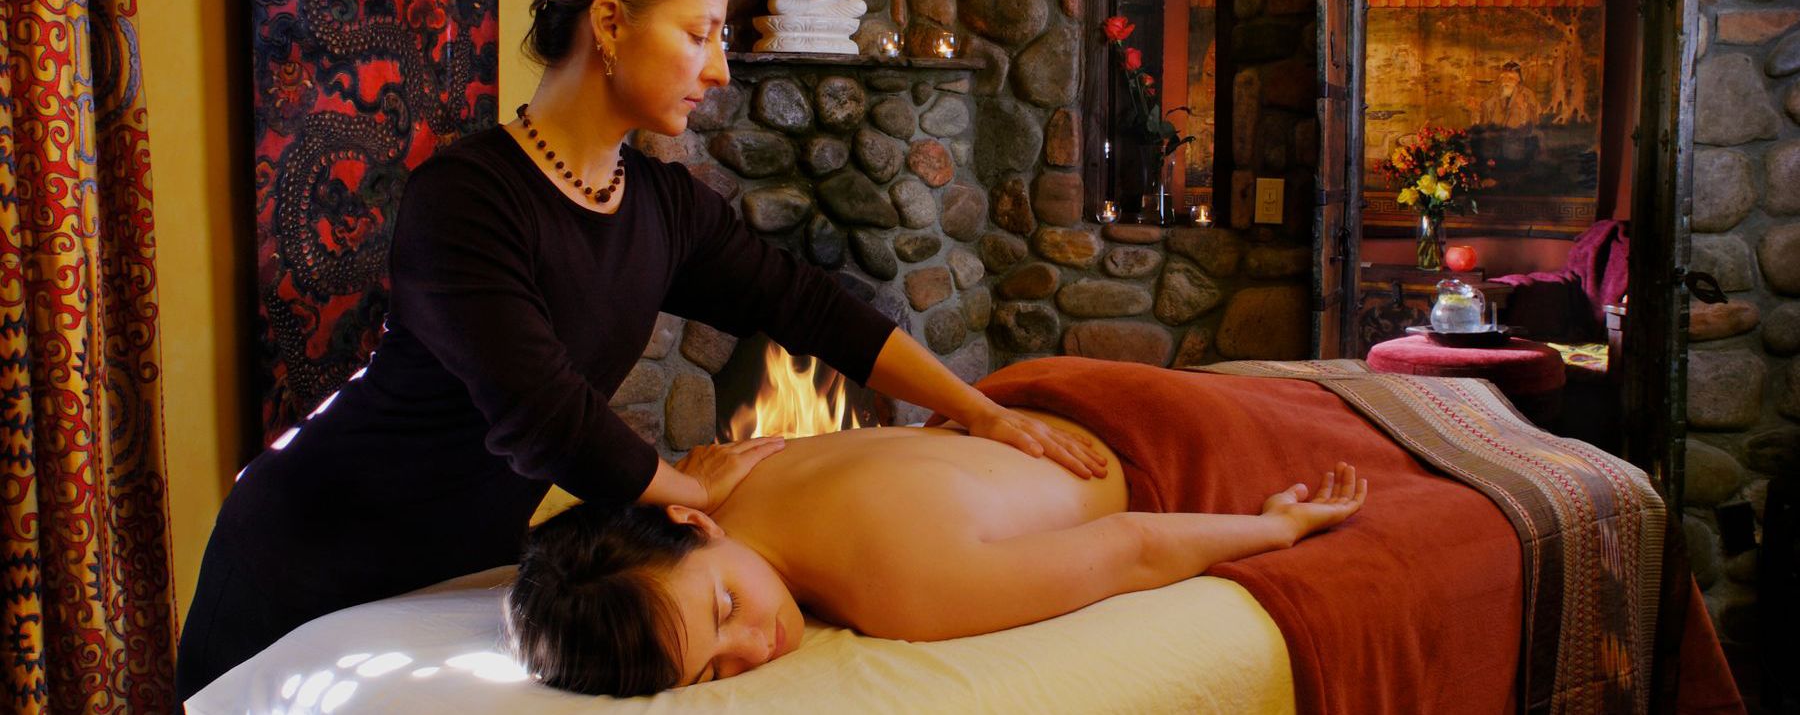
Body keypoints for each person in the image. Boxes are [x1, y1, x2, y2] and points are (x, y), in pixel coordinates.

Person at [175, 0, 1105, 700]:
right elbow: (545, 418)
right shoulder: (466, 197)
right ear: (611, 24)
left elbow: (809, 304)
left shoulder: (659, 204)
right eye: (700, 35)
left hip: (459, 563)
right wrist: (690, 490)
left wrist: (978, 409)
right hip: (311, 545)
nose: (720, 70)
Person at [506, 390, 1369, 696]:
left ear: (692, 526)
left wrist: (1274, 527)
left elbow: (1131, 545)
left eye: (725, 607)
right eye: (712, 672)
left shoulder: (898, 587)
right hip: (1027, 399)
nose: (755, 646)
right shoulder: (724, 477)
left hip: (1148, 444)